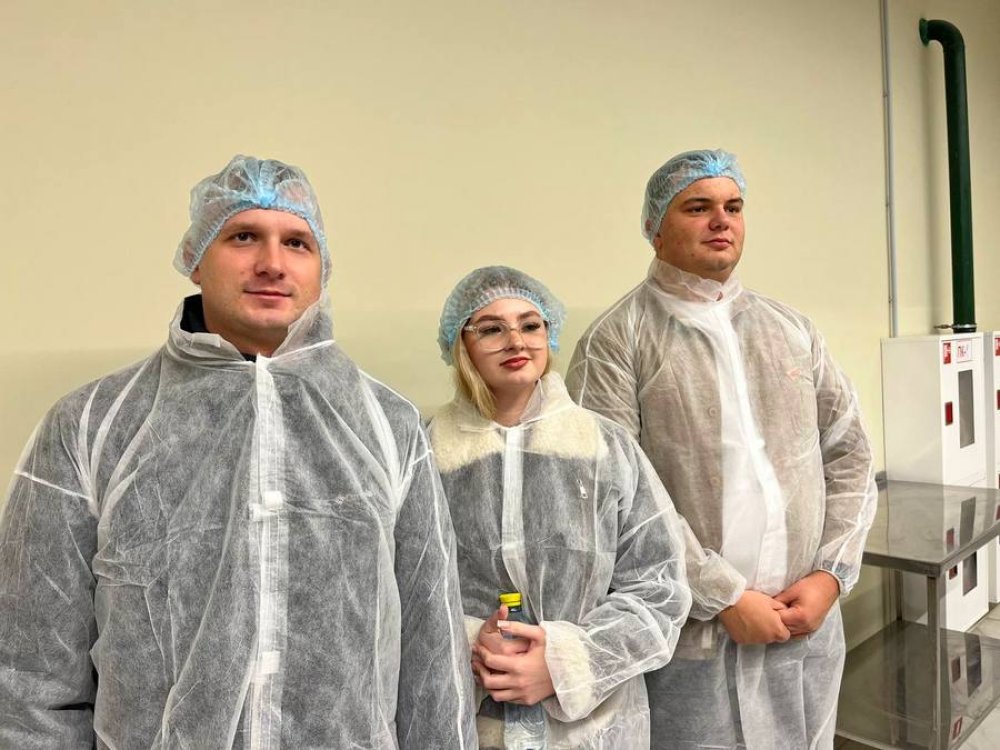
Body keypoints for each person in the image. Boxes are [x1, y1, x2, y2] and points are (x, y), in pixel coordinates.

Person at [0, 155, 476, 748]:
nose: (272, 263)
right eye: (243, 236)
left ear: (322, 269)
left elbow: (434, 661)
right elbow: (28, 673)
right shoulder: (93, 424)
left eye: (297, 243)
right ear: (196, 258)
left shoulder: (389, 426)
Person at [566, 150, 877, 749]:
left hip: (804, 624)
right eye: (697, 208)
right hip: (695, 636)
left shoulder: (791, 328)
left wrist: (830, 576)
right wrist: (722, 595)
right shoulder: (617, 340)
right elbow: (613, 497)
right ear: (655, 227)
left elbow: (849, 454)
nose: (721, 221)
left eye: (733, 207)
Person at [429, 265, 691, 749]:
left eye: (530, 325)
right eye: (491, 329)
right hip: (469, 719)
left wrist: (565, 664)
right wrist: (473, 644)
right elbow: (404, 585)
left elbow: (659, 586)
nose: (516, 341)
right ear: (460, 344)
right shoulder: (428, 450)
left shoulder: (603, 446)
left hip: (590, 728)